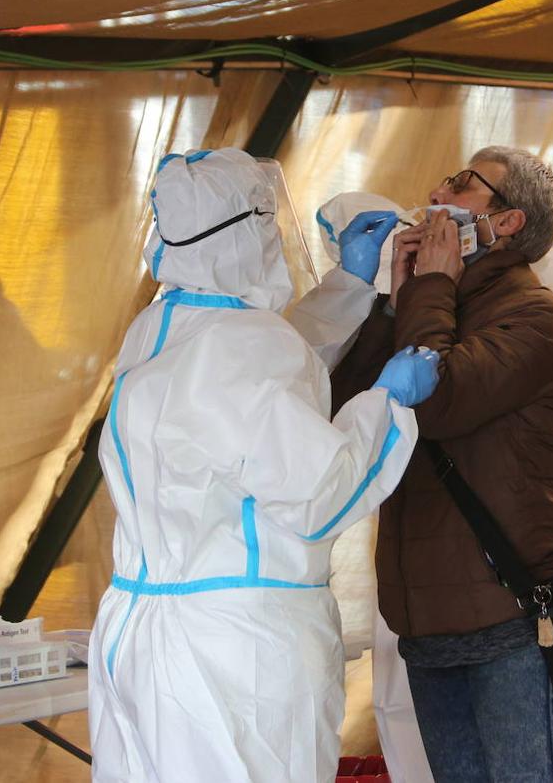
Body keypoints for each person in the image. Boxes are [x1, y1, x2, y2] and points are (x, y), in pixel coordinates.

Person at [87, 148, 441, 783]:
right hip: (236, 649)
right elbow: (321, 494)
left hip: (144, 630)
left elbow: (266, 382)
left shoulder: (162, 327)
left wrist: (348, 287)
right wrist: (387, 404)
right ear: (247, 233)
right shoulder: (241, 346)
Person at [329, 146, 553, 783]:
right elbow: (342, 410)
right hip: (428, 620)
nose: (438, 190)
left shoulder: (534, 316)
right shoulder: (425, 305)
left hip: (517, 619)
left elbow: (435, 401)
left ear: (506, 224)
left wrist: (433, 286)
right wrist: (390, 300)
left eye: (463, 185)